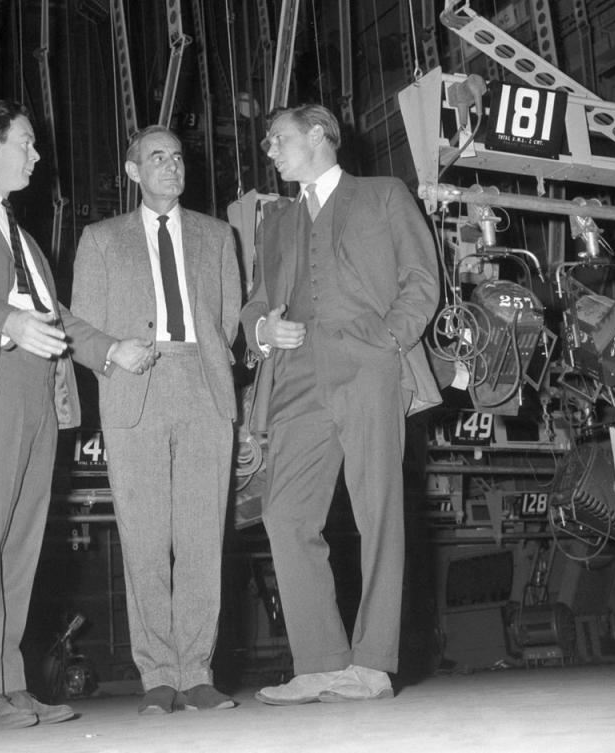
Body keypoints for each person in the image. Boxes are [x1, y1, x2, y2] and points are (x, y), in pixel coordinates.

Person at [0, 100, 152, 732]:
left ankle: (6, 685)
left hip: (40, 392)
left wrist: (108, 351)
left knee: (20, 543)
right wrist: (11, 322)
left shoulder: (21, 236)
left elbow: (57, 318)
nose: (37, 154)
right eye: (26, 142)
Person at [240, 104, 441, 705]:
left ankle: (373, 664)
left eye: (278, 140)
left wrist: (388, 339)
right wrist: (262, 331)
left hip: (368, 367)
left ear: (319, 136)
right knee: (285, 514)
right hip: (296, 377)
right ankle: (322, 661)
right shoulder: (274, 220)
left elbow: (422, 278)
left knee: (377, 511)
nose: (270, 152)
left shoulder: (382, 194)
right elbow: (255, 303)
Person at [71, 125, 241, 715]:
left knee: (200, 538)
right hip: (134, 389)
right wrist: (116, 348)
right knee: (144, 541)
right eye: (156, 158)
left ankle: (196, 671)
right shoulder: (100, 239)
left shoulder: (219, 236)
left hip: (202, 385)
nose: (170, 166)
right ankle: (157, 677)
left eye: (176, 157)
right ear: (133, 170)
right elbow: (84, 329)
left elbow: (228, 321)